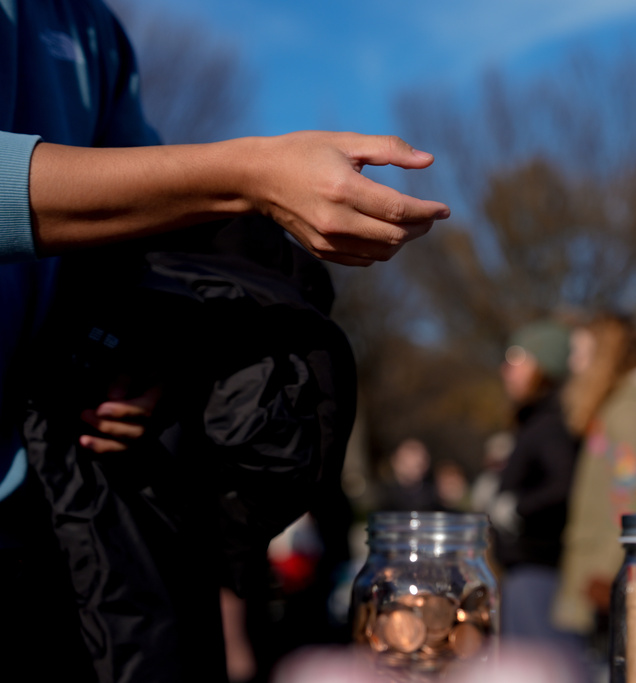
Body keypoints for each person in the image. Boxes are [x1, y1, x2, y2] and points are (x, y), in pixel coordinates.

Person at [1, 1, 447, 679]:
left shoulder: (93, 29)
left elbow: (139, 237)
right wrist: (246, 174)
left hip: (67, 506)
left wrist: (140, 355)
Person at [551, 312, 636, 657]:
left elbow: (634, 501)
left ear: (605, 356)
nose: (573, 364)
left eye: (581, 353)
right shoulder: (624, 408)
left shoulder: (629, 414)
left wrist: (612, 574)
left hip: (611, 579)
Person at [489, 319, 580, 644]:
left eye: (516, 360)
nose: (506, 370)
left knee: (541, 666)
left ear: (543, 366)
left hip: (540, 570)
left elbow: (563, 485)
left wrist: (517, 508)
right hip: (528, 569)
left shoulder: (550, 424)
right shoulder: (536, 421)